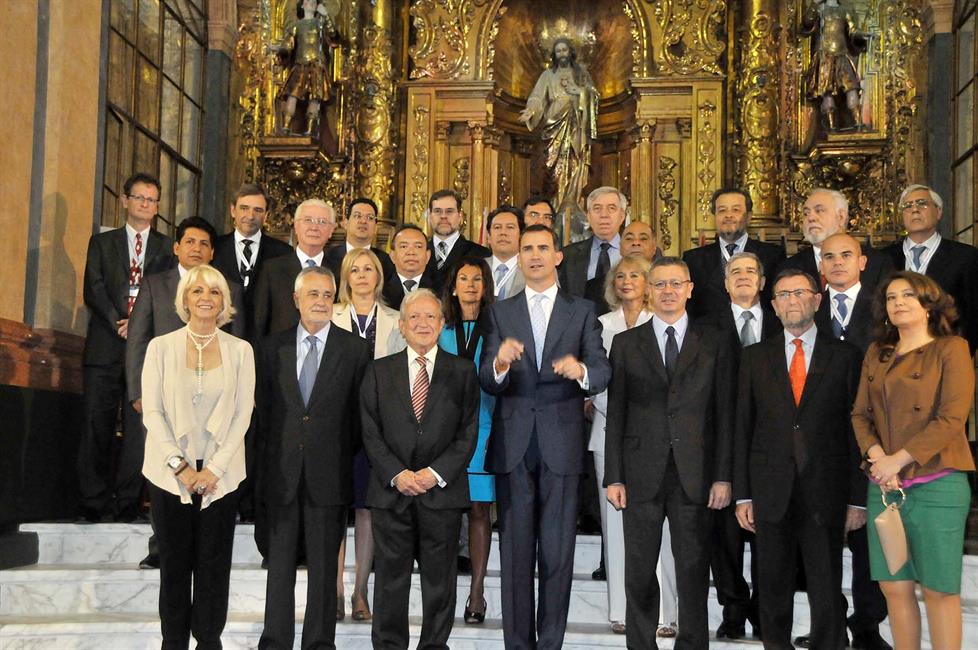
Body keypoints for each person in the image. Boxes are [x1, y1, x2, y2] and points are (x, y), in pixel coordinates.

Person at [479, 224, 611, 649]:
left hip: (562, 445)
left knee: (558, 555)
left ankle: (551, 643)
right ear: (518, 257)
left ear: (558, 257)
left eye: (543, 247)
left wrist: (584, 372)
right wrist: (499, 364)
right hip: (514, 447)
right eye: (527, 248)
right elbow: (486, 376)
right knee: (516, 556)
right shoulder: (501, 311)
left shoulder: (583, 310)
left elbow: (603, 369)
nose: (535, 255)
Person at [604, 257, 736, 648]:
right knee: (639, 570)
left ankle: (692, 644)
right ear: (648, 290)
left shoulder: (714, 340)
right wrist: (614, 475)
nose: (668, 292)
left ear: (690, 289)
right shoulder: (627, 343)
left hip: (696, 473)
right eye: (659, 284)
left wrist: (723, 475)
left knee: (693, 569)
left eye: (675, 284)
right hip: (640, 471)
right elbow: (617, 414)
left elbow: (724, 414)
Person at [734, 268, 865, 650]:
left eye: (800, 293)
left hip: (826, 489)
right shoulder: (754, 358)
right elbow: (743, 427)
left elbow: (856, 430)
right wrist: (743, 495)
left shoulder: (845, 357)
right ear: (773, 306)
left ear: (817, 300)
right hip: (769, 488)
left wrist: (857, 497)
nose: (792, 301)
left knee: (825, 580)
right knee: (772, 582)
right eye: (783, 295)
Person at [851, 271, 976, 650]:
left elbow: (952, 419)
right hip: (885, 490)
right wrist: (878, 460)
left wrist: (896, 461)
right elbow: (860, 415)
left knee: (939, 590)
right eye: (891, 298)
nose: (898, 302)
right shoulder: (877, 353)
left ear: (928, 305)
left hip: (937, 485)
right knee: (894, 588)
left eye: (908, 295)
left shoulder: (951, 348)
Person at [141, 264, 255, 650]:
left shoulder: (242, 351)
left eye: (215, 291)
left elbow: (243, 413)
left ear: (225, 301)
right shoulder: (160, 347)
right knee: (174, 566)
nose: (206, 297)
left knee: (213, 566)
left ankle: (209, 641)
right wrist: (181, 466)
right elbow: (152, 412)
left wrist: (215, 470)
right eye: (197, 291)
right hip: (169, 474)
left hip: (221, 476)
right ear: (184, 299)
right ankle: (172, 643)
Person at [256, 266, 371, 649]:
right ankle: (275, 642)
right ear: (296, 300)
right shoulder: (272, 348)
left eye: (327, 295)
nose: (320, 302)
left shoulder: (355, 349)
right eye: (313, 295)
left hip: (329, 474)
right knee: (280, 570)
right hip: (282, 475)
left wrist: (334, 451)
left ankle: (320, 643)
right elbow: (264, 415)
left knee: (324, 573)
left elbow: (360, 417)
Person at [360, 289, 480, 649]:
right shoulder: (378, 371)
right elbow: (370, 430)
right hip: (390, 493)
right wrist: (398, 474)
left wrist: (434, 473)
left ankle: (433, 646)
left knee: (439, 583)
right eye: (414, 317)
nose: (423, 324)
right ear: (402, 325)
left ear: (442, 324)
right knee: (390, 582)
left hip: (441, 494)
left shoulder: (462, 370)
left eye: (431, 317)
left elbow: (468, 431)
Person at [127, 216, 245, 569]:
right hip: (163, 402)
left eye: (205, 244)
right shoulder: (155, 285)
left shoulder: (227, 291)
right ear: (177, 247)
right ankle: (161, 547)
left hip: (215, 408)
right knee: (164, 475)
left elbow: (240, 338)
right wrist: (137, 392)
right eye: (190, 242)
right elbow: (137, 340)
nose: (197, 248)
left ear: (212, 252)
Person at [805, 232, 891, 650]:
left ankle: (867, 627)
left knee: (866, 543)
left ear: (862, 261)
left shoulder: (885, 309)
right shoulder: (807, 308)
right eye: (828, 257)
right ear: (820, 265)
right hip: (816, 443)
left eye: (845, 255)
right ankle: (828, 626)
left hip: (871, 440)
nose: (836, 262)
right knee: (819, 543)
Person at [80, 171, 174, 523]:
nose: (145, 205)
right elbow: (94, 287)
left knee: (141, 430)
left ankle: (128, 501)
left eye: (152, 200)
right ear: (125, 200)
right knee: (96, 424)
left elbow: (166, 295)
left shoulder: (168, 248)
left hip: (146, 352)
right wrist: (118, 321)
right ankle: (93, 500)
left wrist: (137, 326)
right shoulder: (102, 243)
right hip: (105, 346)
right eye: (139, 198)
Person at [699, 251, 779, 641]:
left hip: (772, 444)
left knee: (770, 534)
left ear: (763, 283)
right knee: (724, 535)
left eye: (751, 271)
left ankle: (766, 611)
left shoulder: (784, 322)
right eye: (736, 272)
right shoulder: (705, 327)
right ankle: (733, 607)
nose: (744, 277)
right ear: (725, 283)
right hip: (720, 442)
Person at [330, 248, 406, 622]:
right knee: (334, 507)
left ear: (379, 276)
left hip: (379, 427)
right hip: (335, 426)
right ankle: (336, 592)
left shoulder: (396, 320)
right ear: (345, 277)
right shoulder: (331, 315)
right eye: (354, 269)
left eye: (368, 269)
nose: (362, 275)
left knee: (368, 508)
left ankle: (360, 591)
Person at [589, 256, 654, 636]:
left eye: (636, 275)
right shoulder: (602, 325)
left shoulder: (658, 321)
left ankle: (664, 612)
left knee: (656, 525)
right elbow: (595, 378)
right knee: (615, 524)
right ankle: (620, 609)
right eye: (621, 276)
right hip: (607, 431)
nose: (627, 281)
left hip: (655, 437)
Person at [437, 257, 497, 625]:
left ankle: (477, 591)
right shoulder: (440, 328)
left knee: (478, 509)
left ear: (486, 287)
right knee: (443, 514)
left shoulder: (498, 328)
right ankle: (442, 593)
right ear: (453, 287)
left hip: (486, 428)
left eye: (478, 279)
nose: (471, 285)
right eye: (464, 278)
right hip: (443, 432)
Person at [881, 184, 978, 354]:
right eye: (907, 206)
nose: (915, 210)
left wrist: (960, 353)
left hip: (946, 353)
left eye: (922, 203)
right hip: (895, 353)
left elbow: (974, 313)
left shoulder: (965, 256)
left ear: (938, 212)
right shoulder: (883, 258)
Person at [519, 37, 598, 236]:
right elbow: (537, 97)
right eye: (558, 51)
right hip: (553, 126)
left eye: (564, 50)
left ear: (570, 52)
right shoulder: (547, 75)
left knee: (575, 165)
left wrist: (580, 93)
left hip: (576, 129)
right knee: (553, 170)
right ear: (554, 55)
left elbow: (594, 96)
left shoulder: (582, 74)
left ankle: (573, 204)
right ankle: (554, 205)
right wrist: (530, 111)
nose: (562, 54)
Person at [683, 188, 785, 318]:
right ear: (715, 217)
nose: (728, 215)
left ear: (749, 217)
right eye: (722, 210)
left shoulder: (772, 255)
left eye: (735, 210)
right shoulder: (693, 259)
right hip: (709, 335)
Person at [212, 184, 293, 339]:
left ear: (266, 215)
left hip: (266, 341)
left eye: (258, 210)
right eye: (244, 208)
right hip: (222, 336)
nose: (250, 216)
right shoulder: (215, 248)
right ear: (232, 210)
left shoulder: (283, 253)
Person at [251, 198, 337, 338]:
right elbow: (259, 321)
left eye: (322, 222)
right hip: (281, 353)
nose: (314, 227)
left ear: (331, 230)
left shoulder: (339, 270)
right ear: (296, 226)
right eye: (308, 220)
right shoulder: (272, 269)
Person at [779, 188, 892, 293]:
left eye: (819, 211)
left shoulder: (878, 264)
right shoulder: (788, 267)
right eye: (805, 213)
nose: (810, 218)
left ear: (841, 217)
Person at [271, 0, 338, 135]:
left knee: (315, 97)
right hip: (300, 64)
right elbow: (288, 44)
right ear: (302, 5)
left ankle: (310, 128)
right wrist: (280, 52)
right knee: (293, 94)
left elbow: (333, 36)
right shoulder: (297, 25)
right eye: (308, 1)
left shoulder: (321, 24)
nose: (311, 3)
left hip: (317, 65)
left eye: (313, 1)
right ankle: (286, 126)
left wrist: (326, 16)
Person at [558, 186, 627, 314]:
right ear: (588, 216)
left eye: (611, 208)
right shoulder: (568, 255)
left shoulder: (635, 254)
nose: (604, 215)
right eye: (597, 209)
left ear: (622, 216)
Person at [424, 189, 490, 294]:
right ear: (430, 216)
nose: (443, 216)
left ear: (460, 216)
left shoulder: (481, 254)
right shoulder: (419, 252)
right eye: (437, 211)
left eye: (449, 211)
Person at [324, 197, 396, 284]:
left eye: (370, 218)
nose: (363, 221)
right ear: (345, 223)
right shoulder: (327, 257)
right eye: (357, 216)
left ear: (376, 228)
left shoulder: (385, 262)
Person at [381, 223, 436, 309]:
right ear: (392, 256)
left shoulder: (441, 287)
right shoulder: (380, 288)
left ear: (428, 256)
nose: (411, 252)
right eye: (404, 246)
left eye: (418, 246)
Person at [485, 205, 526, 299]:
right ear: (489, 237)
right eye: (497, 227)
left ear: (521, 235)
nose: (503, 232)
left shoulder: (535, 268)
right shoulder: (477, 268)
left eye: (510, 227)